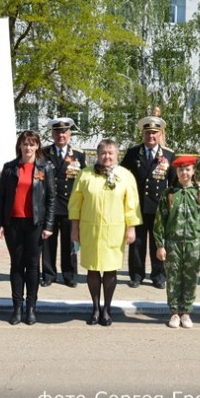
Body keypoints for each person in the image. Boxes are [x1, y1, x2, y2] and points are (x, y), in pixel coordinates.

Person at [69, 139, 142, 326]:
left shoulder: (125, 176)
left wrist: (131, 227)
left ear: (117, 155)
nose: (107, 156)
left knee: (110, 270)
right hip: (90, 229)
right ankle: (95, 307)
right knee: (92, 269)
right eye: (103, 153)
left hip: (114, 231)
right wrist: (74, 227)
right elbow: (76, 203)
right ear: (97, 155)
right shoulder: (85, 175)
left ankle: (107, 309)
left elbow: (131, 204)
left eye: (111, 153)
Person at [0, 131, 56, 326]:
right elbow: (1, 197)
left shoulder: (45, 167)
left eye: (32, 144)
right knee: (17, 265)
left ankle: (31, 308)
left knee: (33, 266)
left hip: (35, 224)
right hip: (14, 223)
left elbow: (51, 198)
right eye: (25, 144)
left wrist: (49, 225)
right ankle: (17, 308)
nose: (28, 148)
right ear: (19, 146)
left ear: (37, 147)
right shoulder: (10, 168)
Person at [154, 156, 200, 329]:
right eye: (180, 170)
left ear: (193, 171)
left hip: (193, 245)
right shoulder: (169, 194)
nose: (184, 172)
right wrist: (160, 245)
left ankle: (186, 312)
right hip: (173, 244)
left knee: (190, 278)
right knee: (172, 278)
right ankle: (174, 313)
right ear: (176, 172)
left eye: (187, 169)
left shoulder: (199, 194)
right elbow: (160, 221)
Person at [120, 116, 176, 289]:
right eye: (147, 132)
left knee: (158, 243)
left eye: (154, 132)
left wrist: (172, 206)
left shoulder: (168, 154)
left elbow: (174, 183)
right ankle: (136, 275)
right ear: (143, 134)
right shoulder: (134, 153)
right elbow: (122, 175)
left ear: (160, 134)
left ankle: (159, 275)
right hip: (137, 206)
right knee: (137, 243)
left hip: (159, 207)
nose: (151, 136)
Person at [41, 117, 86, 288]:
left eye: (64, 131)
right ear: (52, 134)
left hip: (70, 206)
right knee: (47, 243)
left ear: (70, 133)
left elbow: (82, 181)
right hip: (49, 206)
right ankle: (48, 274)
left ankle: (70, 274)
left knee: (71, 242)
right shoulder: (44, 153)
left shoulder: (79, 155)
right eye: (58, 132)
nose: (61, 135)